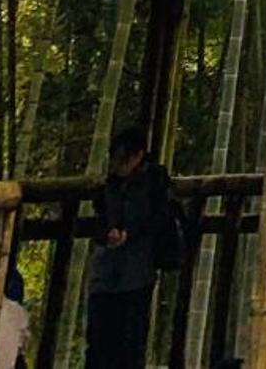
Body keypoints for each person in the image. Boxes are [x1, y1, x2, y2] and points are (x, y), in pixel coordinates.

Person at [86, 126, 172, 369]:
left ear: (138, 155)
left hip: (137, 272)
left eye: (124, 158)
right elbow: (100, 219)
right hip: (106, 272)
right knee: (99, 342)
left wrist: (130, 232)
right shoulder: (110, 185)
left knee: (130, 343)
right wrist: (109, 233)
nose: (118, 164)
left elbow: (159, 219)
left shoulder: (154, 181)